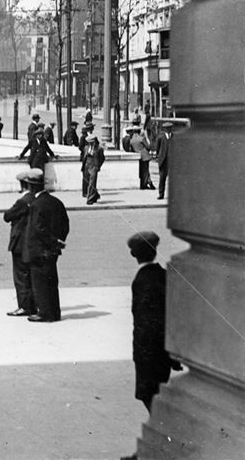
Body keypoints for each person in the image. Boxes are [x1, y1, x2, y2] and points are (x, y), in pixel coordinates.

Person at [126, 231, 182, 413]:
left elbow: (145, 321)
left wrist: (140, 353)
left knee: (149, 396)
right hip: (165, 351)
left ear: (133, 254)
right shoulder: (164, 275)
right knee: (157, 395)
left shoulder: (141, 281)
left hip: (148, 351)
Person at [21, 168, 70, 322]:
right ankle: (55, 312)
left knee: (40, 284)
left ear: (32, 186)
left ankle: (44, 313)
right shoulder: (56, 202)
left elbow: (38, 229)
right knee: (52, 282)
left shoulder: (36, 204)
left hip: (39, 250)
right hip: (53, 250)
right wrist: (59, 241)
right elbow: (65, 224)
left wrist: (52, 241)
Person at [3, 171, 37, 317]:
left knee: (21, 276)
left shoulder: (22, 201)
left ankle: (24, 306)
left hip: (20, 243)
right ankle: (33, 304)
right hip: (31, 242)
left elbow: (7, 216)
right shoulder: (35, 199)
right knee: (30, 275)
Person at [82, 134, 105, 204]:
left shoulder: (99, 149)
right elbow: (84, 157)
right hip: (86, 166)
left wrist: (98, 166)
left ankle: (90, 199)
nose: (90, 143)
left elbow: (102, 158)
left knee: (92, 183)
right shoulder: (86, 148)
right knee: (87, 182)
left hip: (94, 166)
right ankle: (95, 195)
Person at [154, 122, 172, 200]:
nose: (168, 130)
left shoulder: (174, 137)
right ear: (164, 129)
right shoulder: (160, 137)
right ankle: (161, 194)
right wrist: (158, 157)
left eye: (169, 128)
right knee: (162, 178)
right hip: (163, 161)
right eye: (167, 129)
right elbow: (157, 149)